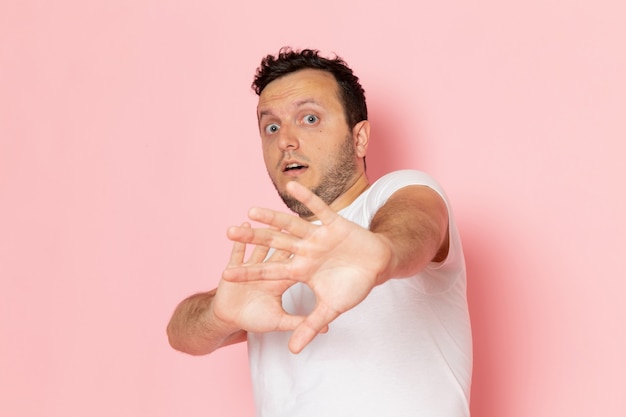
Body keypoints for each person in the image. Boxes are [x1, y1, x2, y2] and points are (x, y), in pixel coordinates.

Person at [167, 47, 473, 417]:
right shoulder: (281, 253)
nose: (285, 141)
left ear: (359, 138)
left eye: (309, 118)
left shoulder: (398, 194)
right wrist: (217, 315)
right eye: (272, 126)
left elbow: (416, 225)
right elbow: (180, 332)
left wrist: (384, 253)